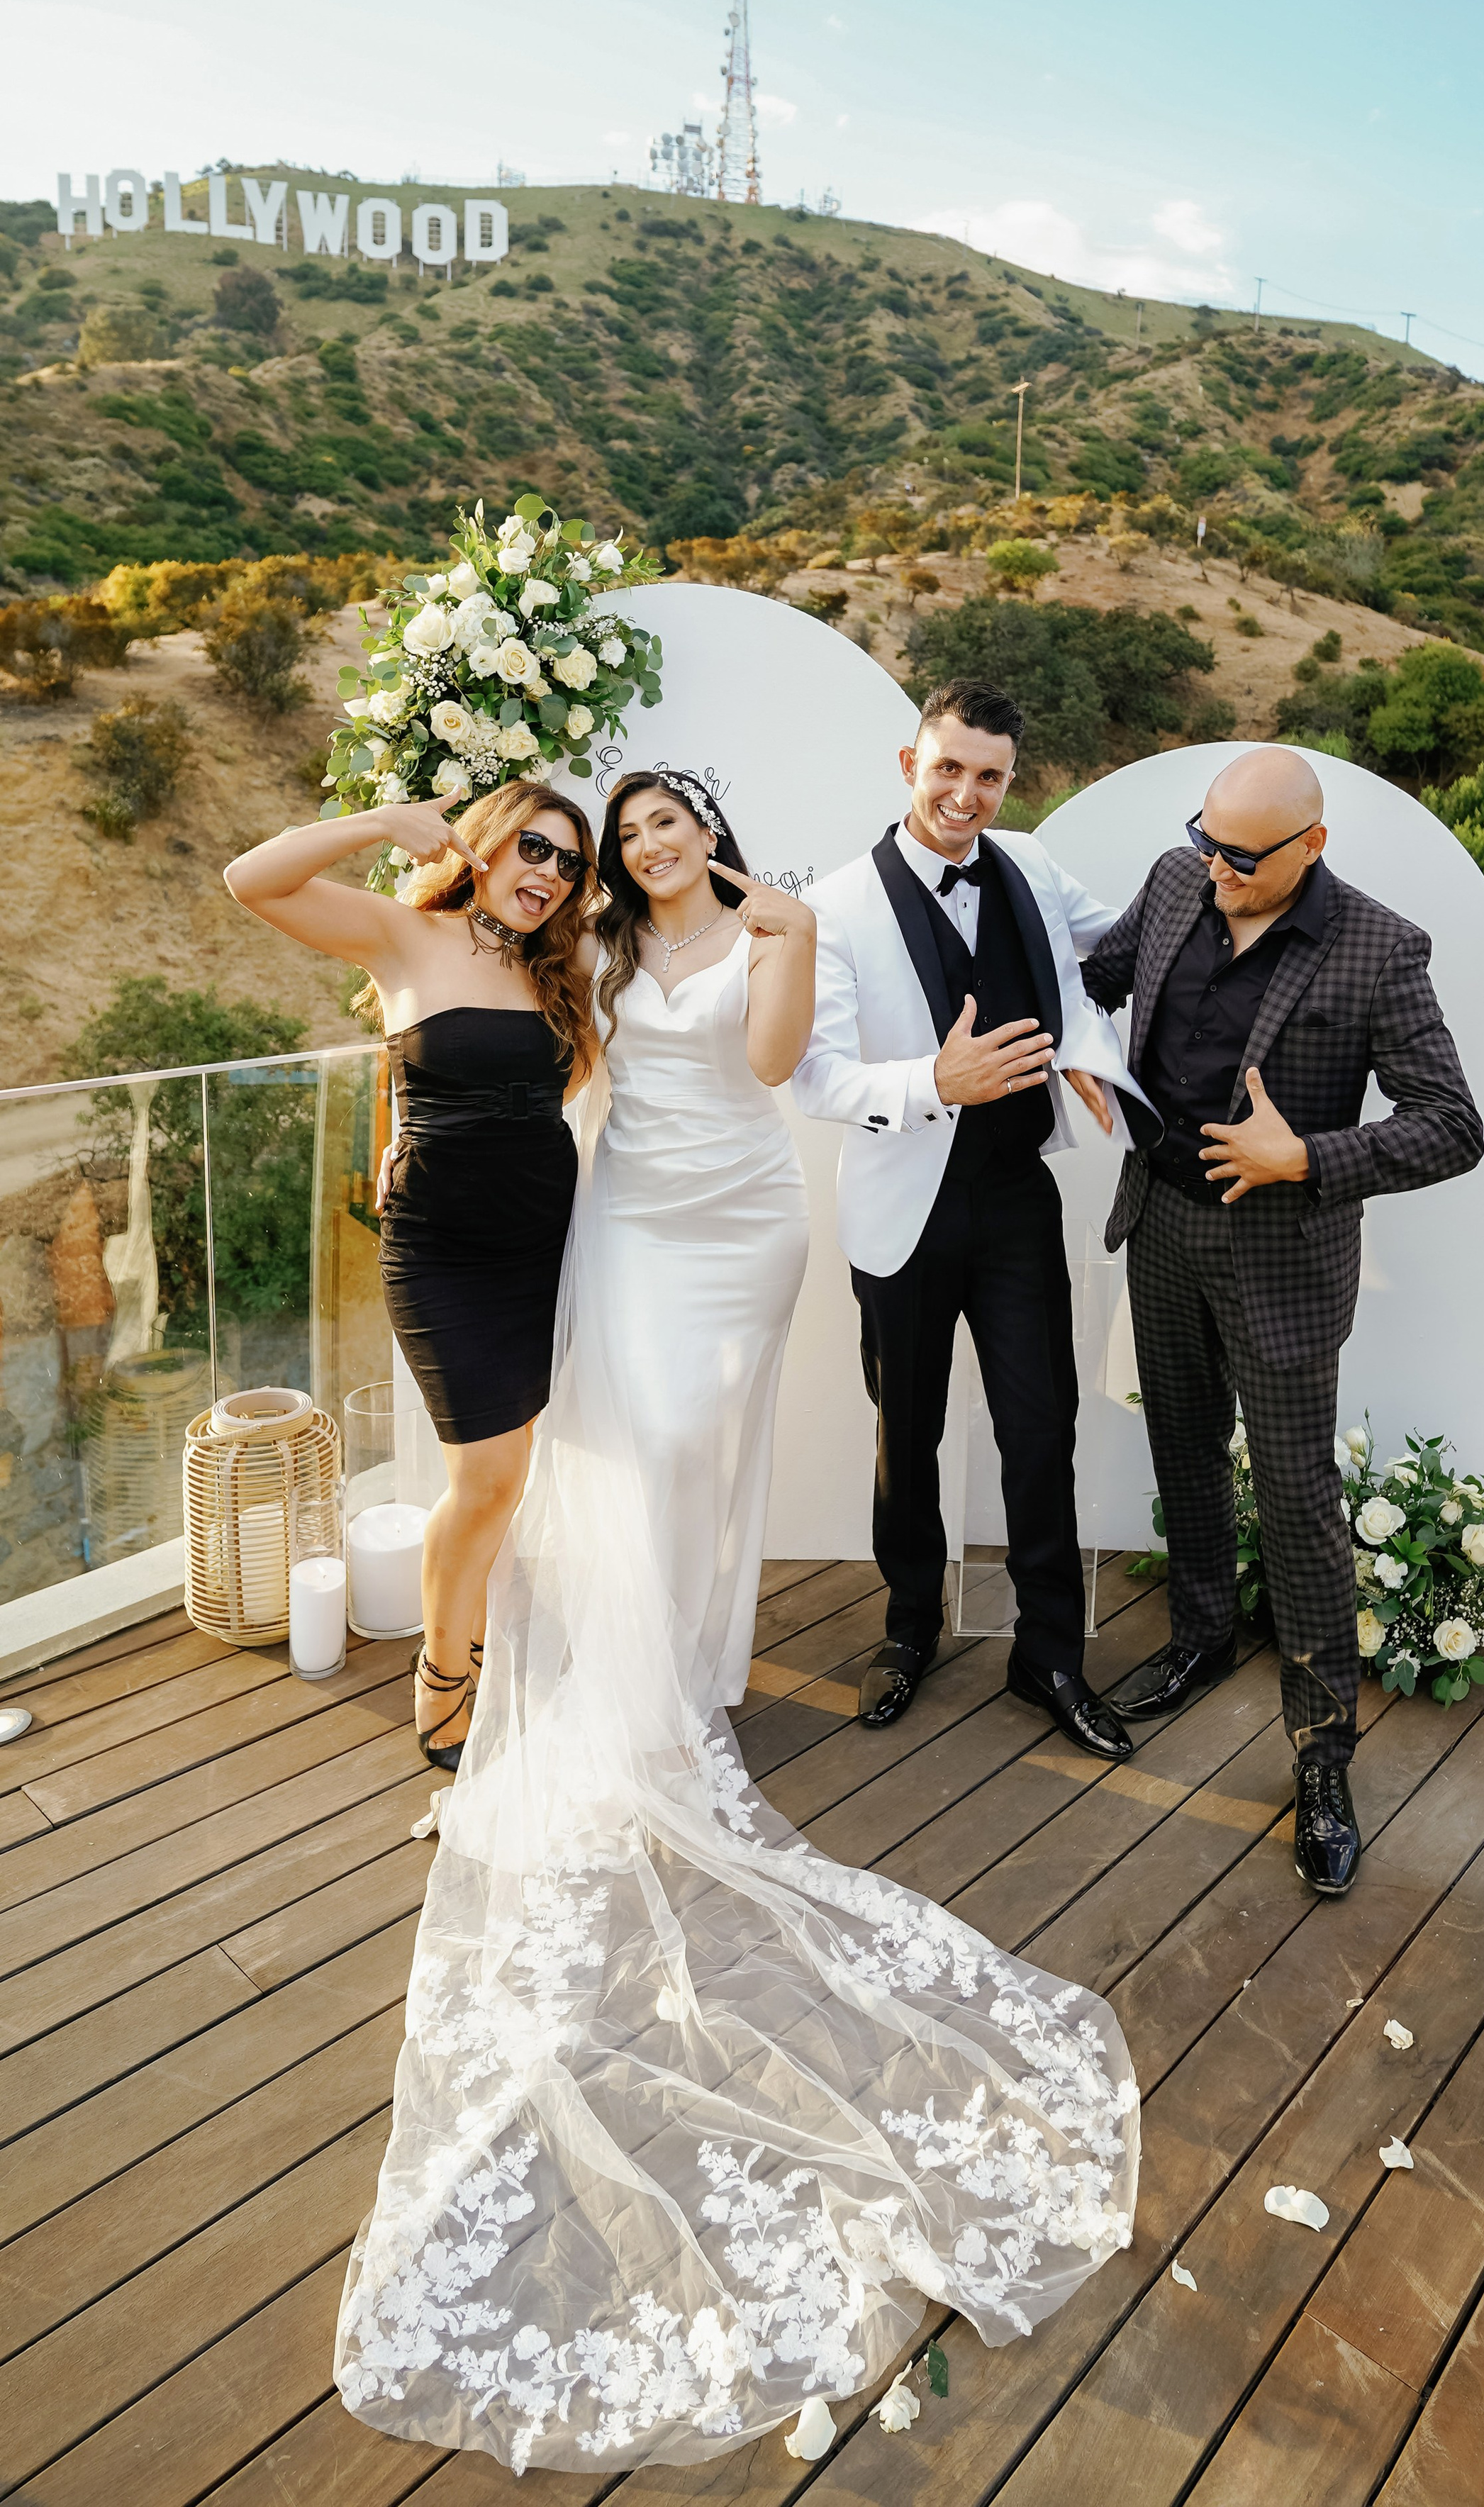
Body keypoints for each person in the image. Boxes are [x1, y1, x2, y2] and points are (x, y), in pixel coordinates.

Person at [334, 766, 1139, 2478]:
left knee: (704, 1450)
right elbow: (489, 1024)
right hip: (625, 1223)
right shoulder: (589, 949)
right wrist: (405, 1087)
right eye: (623, 833)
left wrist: (784, 938)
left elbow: (776, 1067)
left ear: (706, 830)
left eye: (666, 824)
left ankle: (692, 1665)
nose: (645, 847)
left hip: (743, 1227)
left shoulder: (775, 928)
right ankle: (642, 1683)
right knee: (626, 1451)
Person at [1080, 745, 1484, 1897]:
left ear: (1312, 846)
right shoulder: (1177, 880)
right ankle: (1203, 1637)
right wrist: (1080, 1055)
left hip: (1284, 1258)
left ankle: (1321, 1751)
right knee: (1184, 1446)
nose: (1216, 870)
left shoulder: (1380, 948)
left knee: (1300, 1500)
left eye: (1243, 857)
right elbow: (1100, 977)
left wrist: (1304, 1155)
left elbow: (1452, 1125)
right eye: (1205, 840)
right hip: (1160, 1219)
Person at [794, 678, 1159, 1762]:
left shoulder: (1033, 865)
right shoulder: (835, 904)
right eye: (948, 767)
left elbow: (1120, 949)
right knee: (905, 1434)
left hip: (1014, 1197)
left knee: (1043, 1427)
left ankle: (1049, 1654)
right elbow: (814, 1076)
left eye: (989, 776)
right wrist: (933, 1082)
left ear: (1009, 780)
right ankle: (910, 1627)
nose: (966, 793)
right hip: (901, 1207)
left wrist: (1094, 1052)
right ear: (911, 764)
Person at [225, 781, 601, 1772]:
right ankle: (442, 1671)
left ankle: (476, 1626)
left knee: (508, 1469)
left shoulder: (560, 966)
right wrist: (381, 825)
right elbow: (251, 880)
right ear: (484, 846)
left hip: (542, 1245)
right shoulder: (402, 936)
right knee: (487, 1477)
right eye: (533, 848)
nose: (550, 874)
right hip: (443, 1255)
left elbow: (557, 1079)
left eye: (569, 863)